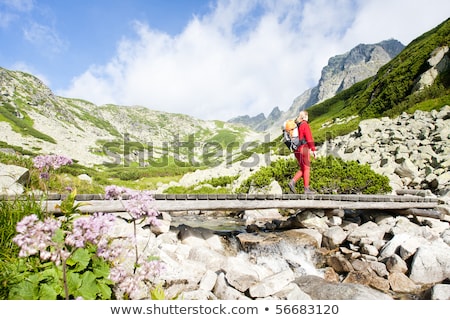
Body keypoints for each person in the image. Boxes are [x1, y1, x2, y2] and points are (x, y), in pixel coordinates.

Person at [288, 110, 317, 194]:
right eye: (307, 117)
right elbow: (309, 138)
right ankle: (306, 189)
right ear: (305, 117)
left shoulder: (296, 125)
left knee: (303, 168)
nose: (307, 119)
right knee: (307, 168)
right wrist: (313, 150)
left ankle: (292, 182)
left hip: (296, 150)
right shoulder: (305, 124)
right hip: (303, 148)